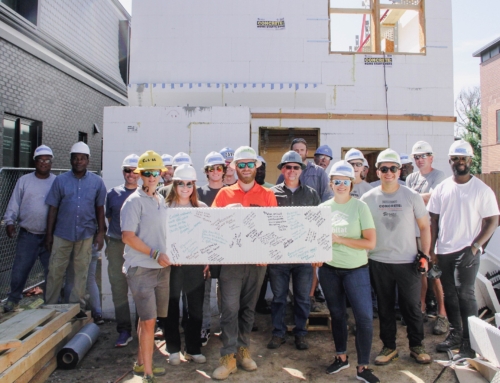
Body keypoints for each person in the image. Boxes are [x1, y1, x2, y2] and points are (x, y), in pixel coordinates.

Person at [428, 140, 499, 359]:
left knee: (465, 295)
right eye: (455, 158)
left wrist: (476, 247)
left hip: (467, 252)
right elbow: (434, 221)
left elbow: (492, 220)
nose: (459, 162)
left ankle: (471, 343)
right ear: (450, 161)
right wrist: (432, 251)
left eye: (463, 158)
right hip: (444, 251)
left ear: (470, 161)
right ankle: (456, 334)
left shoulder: (481, 189)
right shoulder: (442, 188)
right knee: (450, 295)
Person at [211, 146, 278, 380]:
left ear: (256, 166)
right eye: (242, 164)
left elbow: (273, 229)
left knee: (248, 310)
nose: (246, 168)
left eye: (250, 164)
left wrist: (266, 254)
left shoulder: (268, 195)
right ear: (234, 167)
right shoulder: (223, 195)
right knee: (229, 309)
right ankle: (227, 357)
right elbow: (211, 228)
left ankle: (243, 350)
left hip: (256, 263)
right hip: (230, 262)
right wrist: (226, 215)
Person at [361, 149, 432, 365]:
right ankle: (389, 347)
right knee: (384, 307)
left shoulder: (411, 196)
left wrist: (426, 256)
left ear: (399, 170)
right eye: (384, 169)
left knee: (411, 307)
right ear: (377, 171)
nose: (389, 172)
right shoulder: (368, 198)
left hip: (407, 261)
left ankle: (417, 345)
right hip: (379, 261)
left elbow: (425, 227)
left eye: (393, 168)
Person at [319, 160, 379, 383]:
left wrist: (340, 240)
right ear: (331, 183)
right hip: (329, 270)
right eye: (337, 181)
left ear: (351, 184)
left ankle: (363, 367)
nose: (341, 185)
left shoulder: (360, 207)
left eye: (345, 181)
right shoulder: (322, 209)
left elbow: (370, 243)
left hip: (356, 271)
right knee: (336, 315)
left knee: (363, 318)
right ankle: (341, 357)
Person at [121, 150, 172, 383]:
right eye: (147, 173)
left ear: (162, 174)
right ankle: (148, 374)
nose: (152, 177)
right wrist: (154, 253)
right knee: (149, 320)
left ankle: (141, 364)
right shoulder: (133, 202)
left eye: (156, 173)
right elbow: (128, 237)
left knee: (147, 319)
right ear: (140, 175)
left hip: (161, 269)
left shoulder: (160, 199)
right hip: (141, 268)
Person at [44, 142, 106, 320]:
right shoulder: (60, 180)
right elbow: (53, 209)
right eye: (75, 158)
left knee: (81, 272)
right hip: (61, 233)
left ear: (88, 160)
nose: (78, 161)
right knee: (55, 270)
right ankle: (50, 306)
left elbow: (100, 209)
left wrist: (100, 233)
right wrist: (49, 234)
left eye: (82, 158)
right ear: (71, 160)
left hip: (85, 234)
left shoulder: (97, 182)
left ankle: (75, 307)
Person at [267, 151, 321, 351]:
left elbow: (318, 224)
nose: (291, 171)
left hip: (303, 255)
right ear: (282, 169)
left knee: (302, 297)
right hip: (278, 256)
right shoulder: (271, 194)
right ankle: (278, 333)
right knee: (279, 297)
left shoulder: (311, 194)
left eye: (296, 167)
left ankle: (301, 333)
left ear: (301, 170)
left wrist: (317, 252)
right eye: (288, 167)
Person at [2, 145, 56, 312]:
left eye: (47, 160)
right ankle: (13, 299)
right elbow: (14, 203)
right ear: (35, 161)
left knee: (52, 272)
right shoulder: (24, 181)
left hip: (50, 237)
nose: (44, 163)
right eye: (41, 160)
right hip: (28, 235)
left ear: (51, 162)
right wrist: (9, 221)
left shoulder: (57, 181)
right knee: (20, 270)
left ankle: (51, 302)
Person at [164, 164, 208, 365]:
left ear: (194, 185)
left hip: (194, 266)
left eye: (189, 183)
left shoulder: (202, 209)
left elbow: (207, 238)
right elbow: (160, 237)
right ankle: (173, 349)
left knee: (195, 309)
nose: (185, 187)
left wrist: (206, 259)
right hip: (171, 267)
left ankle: (193, 349)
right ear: (174, 184)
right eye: (180, 183)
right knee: (171, 307)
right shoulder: (164, 208)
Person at [405, 141, 449, 336]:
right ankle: (421, 310)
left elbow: (433, 197)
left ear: (431, 157)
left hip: (431, 232)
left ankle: (442, 315)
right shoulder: (411, 178)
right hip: (413, 232)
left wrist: (414, 196)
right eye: (416, 156)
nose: (420, 159)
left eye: (424, 156)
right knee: (420, 273)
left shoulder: (440, 176)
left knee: (435, 275)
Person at [105, 154, 140, 347]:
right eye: (127, 170)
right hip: (117, 244)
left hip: (137, 247)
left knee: (140, 289)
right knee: (119, 288)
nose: (131, 175)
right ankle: (124, 330)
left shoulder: (145, 193)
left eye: (135, 171)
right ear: (123, 172)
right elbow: (111, 220)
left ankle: (142, 329)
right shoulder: (113, 194)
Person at [197, 151, 227, 346]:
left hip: (226, 249)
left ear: (224, 171)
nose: (215, 172)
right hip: (204, 249)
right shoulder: (198, 193)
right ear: (206, 172)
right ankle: (204, 327)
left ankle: (226, 327)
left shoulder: (231, 190)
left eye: (219, 168)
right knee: (203, 292)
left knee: (226, 291)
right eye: (211, 169)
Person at [276, 138, 333, 202]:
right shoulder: (284, 174)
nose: (299, 153)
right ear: (291, 152)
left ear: (307, 152)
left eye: (302, 150)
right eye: (296, 150)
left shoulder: (319, 172)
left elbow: (327, 197)